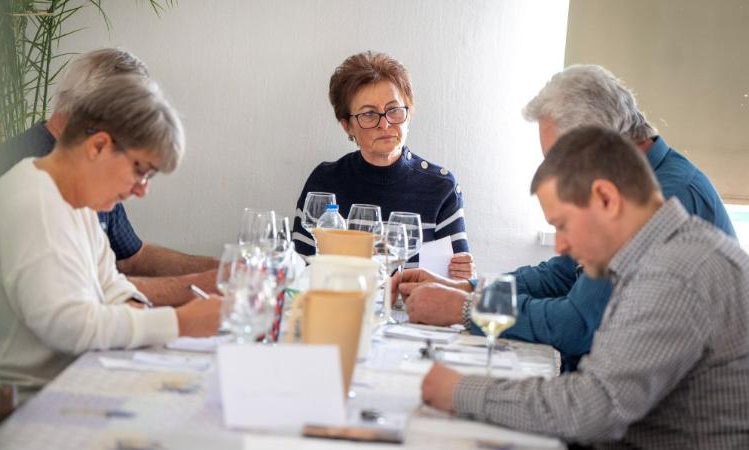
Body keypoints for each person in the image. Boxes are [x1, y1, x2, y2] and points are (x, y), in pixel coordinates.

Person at [422, 126, 749, 449]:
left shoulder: (674, 272)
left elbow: (592, 409)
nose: (560, 246)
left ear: (606, 198)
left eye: (562, 225)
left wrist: (461, 391)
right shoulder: (659, 253)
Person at [393, 65, 736, 370]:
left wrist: (466, 308)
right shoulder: (630, 186)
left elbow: (581, 324)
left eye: (561, 160)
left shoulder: (661, 201)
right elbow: (561, 275)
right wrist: (466, 287)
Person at [0, 75, 222, 391]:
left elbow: (110, 283)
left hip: (55, 380)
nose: (142, 191)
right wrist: (181, 323)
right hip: (3, 400)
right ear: (98, 146)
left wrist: (140, 311)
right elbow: (68, 327)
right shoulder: (36, 205)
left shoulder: (75, 199)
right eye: (141, 171)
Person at [0, 48, 217, 307]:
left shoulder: (95, 172)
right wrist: (195, 297)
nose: (142, 189)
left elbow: (130, 258)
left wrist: (218, 272)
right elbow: (80, 300)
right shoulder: (43, 182)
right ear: (102, 128)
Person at [291, 51, 474, 279]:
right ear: (347, 125)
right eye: (369, 114)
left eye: (394, 110)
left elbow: (455, 284)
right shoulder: (324, 182)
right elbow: (299, 267)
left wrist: (464, 275)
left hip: (412, 314)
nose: (385, 124)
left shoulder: (440, 187)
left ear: (408, 111)